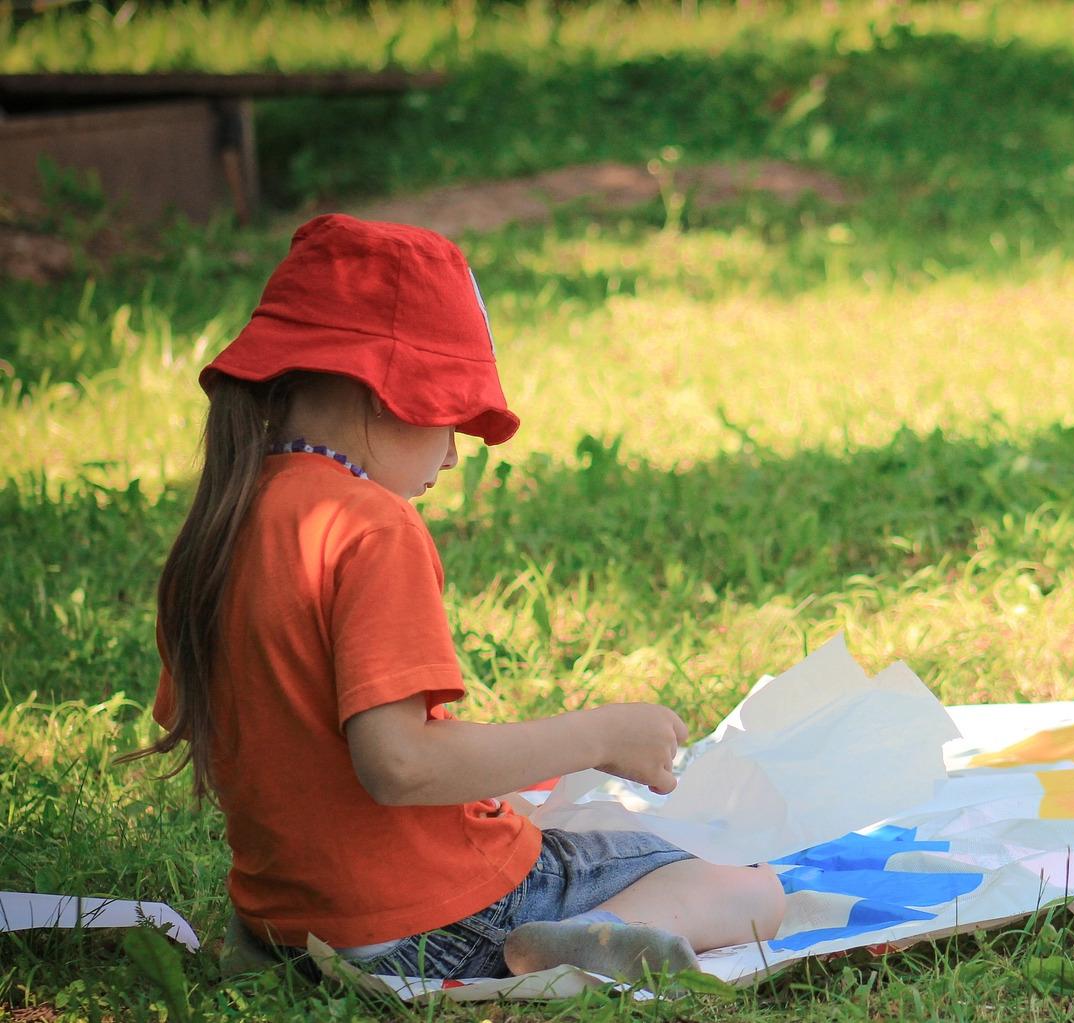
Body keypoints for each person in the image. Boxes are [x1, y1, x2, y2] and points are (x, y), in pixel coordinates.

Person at [123, 214, 785, 985]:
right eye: (447, 411)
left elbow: (222, 725)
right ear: (379, 389)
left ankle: (560, 929)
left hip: (287, 929)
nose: (452, 451)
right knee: (748, 885)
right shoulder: (371, 524)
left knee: (559, 829)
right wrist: (602, 734)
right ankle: (596, 937)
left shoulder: (223, 521)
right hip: (437, 921)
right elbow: (399, 765)